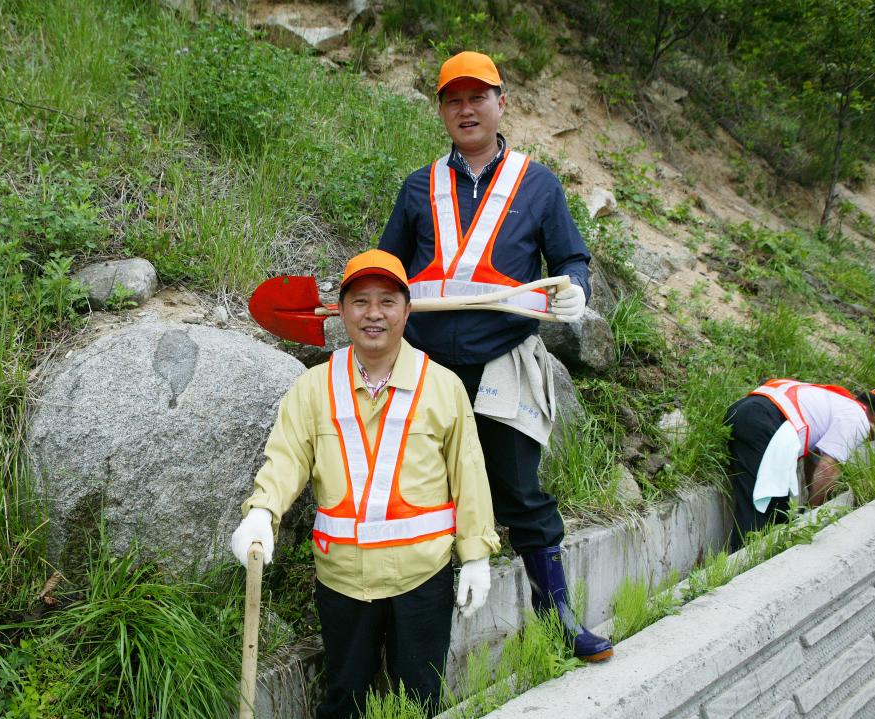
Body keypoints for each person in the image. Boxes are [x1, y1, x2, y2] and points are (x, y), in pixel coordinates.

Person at [377, 50, 613, 663]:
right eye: (453, 100)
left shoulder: (539, 185)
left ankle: (558, 622)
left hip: (504, 366)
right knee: (421, 499)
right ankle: (416, 649)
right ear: (441, 112)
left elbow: (571, 259)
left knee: (521, 495)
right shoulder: (418, 187)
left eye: (477, 97)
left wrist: (573, 290)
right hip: (425, 368)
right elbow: (387, 271)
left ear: (501, 102)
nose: (466, 109)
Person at [231, 249, 501, 719]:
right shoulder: (313, 388)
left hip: (421, 576)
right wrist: (262, 512)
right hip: (342, 581)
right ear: (341, 311)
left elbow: (469, 473)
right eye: (360, 301)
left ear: (406, 310)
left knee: (420, 702)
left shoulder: (443, 387)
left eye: (387, 301)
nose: (373, 313)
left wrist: (476, 554)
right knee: (344, 699)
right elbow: (287, 457)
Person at [725, 380, 875, 550]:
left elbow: (815, 460)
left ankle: (755, 558)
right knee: (763, 505)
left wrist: (812, 496)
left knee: (778, 509)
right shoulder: (859, 420)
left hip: (745, 410)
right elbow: (828, 469)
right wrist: (811, 517)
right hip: (762, 422)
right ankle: (744, 562)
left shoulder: (840, 404)